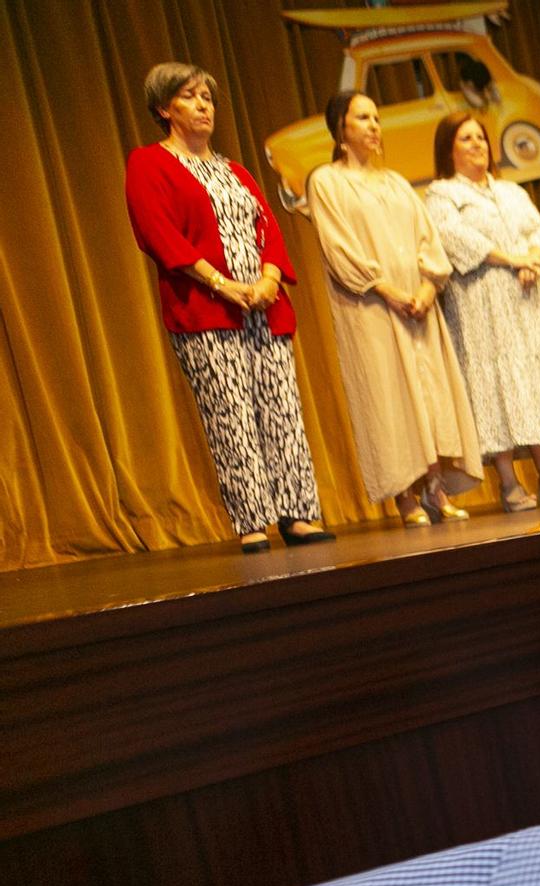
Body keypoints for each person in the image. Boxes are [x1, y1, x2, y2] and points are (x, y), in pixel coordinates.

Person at [123, 62, 330, 552]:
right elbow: (158, 233)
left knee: (281, 409)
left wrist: (269, 278)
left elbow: (269, 230)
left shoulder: (234, 170)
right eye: (191, 97)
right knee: (230, 414)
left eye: (208, 98)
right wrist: (222, 284)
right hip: (205, 312)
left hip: (264, 305)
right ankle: (252, 520)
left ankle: (297, 513)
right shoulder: (149, 163)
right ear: (163, 108)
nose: (203, 106)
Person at [306, 91, 483, 526]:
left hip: (417, 305)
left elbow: (427, 241)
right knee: (388, 397)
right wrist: (386, 289)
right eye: (362, 118)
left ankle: (434, 491)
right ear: (340, 130)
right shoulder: (327, 181)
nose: (373, 126)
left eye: (376, 118)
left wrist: (427, 287)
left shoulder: (397, 183)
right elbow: (338, 246)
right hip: (370, 305)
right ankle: (404, 496)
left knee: (429, 395)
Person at [426, 113, 540, 511]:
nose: (477, 144)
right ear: (449, 148)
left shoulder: (512, 190)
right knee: (495, 384)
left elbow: (538, 230)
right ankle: (509, 483)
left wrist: (534, 256)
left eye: (481, 137)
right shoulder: (441, 193)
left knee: (535, 380)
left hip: (529, 297)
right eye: (466, 139)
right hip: (483, 300)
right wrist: (511, 258)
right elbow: (453, 237)